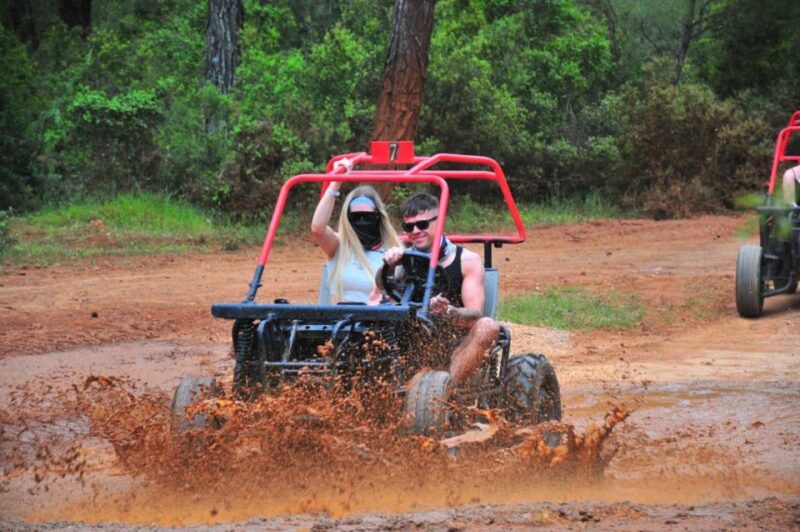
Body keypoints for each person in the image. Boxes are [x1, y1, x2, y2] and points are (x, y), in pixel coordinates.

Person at [378, 192, 500, 384]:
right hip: (410, 342)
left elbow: (475, 314)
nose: (415, 230)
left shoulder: (467, 260)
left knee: (487, 326)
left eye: (423, 224)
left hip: (456, 346)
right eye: (409, 227)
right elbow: (380, 288)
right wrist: (390, 265)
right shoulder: (403, 259)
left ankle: (444, 394)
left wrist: (449, 310)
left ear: (440, 221)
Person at [311, 183, 400, 304]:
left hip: (377, 319)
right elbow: (317, 228)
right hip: (341, 319)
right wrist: (335, 183)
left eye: (368, 216)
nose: (362, 221)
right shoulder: (339, 246)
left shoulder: (393, 250)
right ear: (347, 219)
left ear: (378, 217)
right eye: (356, 217)